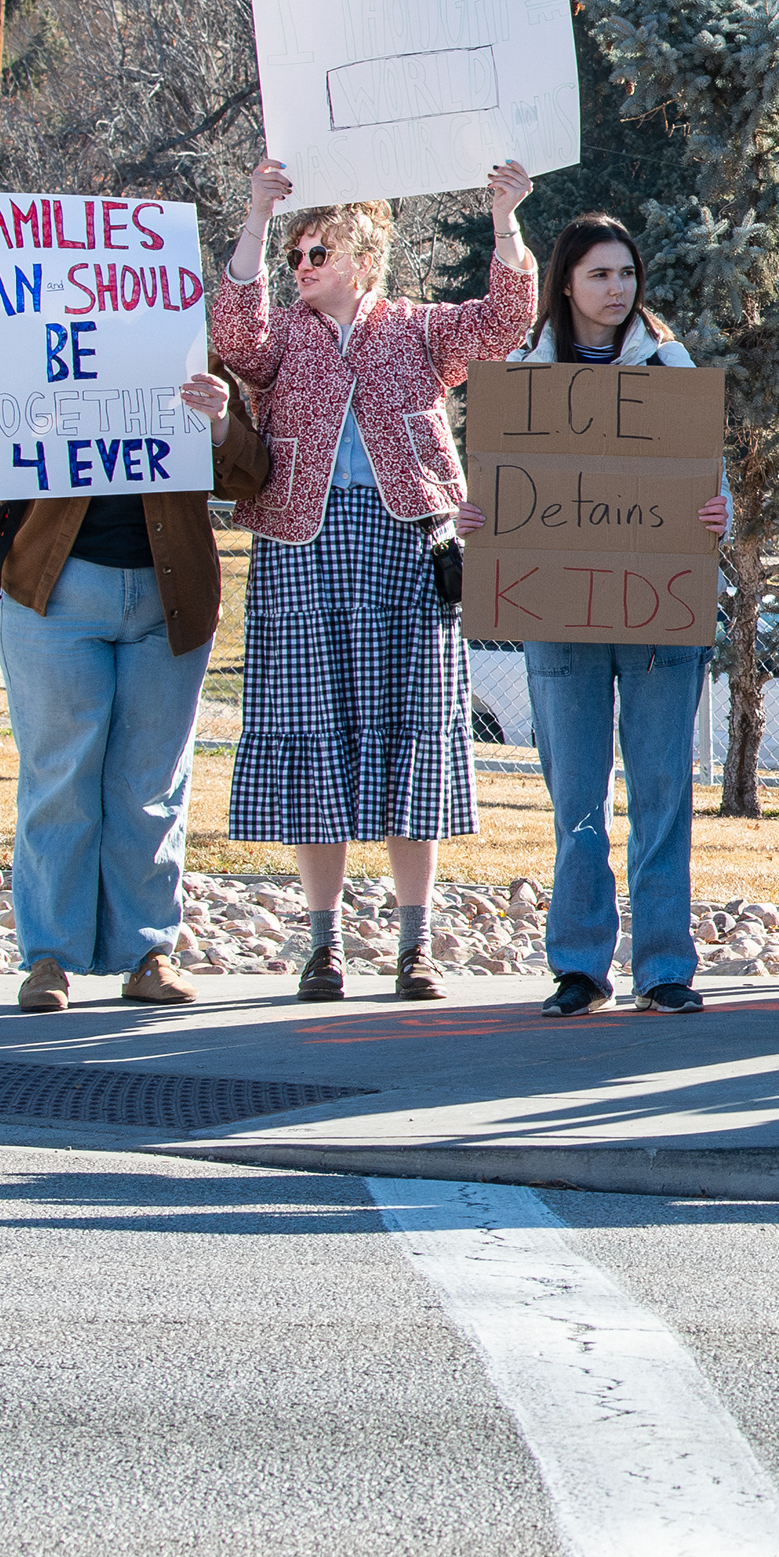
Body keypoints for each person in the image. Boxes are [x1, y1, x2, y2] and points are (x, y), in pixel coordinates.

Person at [212, 155, 541, 1001]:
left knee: (412, 746)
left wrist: (505, 218)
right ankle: (321, 946)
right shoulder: (282, 335)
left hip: (407, 547)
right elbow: (231, 331)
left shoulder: (420, 327)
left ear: (365, 255)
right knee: (312, 737)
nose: (301, 268)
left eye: (316, 253)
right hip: (301, 545)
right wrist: (257, 214)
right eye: (295, 256)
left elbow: (507, 322)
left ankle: (414, 945)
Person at [0, 303, 263, 1013]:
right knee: (60, 777)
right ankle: (50, 958)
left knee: (151, 784)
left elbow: (247, 477)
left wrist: (221, 421)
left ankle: (148, 953)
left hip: (170, 604)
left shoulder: (189, 352)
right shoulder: (32, 347)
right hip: (54, 597)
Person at [510, 213, 733, 1019]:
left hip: (657, 618)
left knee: (662, 793)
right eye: (600, 274)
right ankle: (578, 967)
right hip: (559, 614)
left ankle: (666, 966)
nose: (617, 289)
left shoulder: (671, 367)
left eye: (627, 274)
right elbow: (503, 492)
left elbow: (707, 482)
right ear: (565, 282)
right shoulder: (522, 375)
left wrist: (719, 516)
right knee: (576, 799)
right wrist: (481, 522)